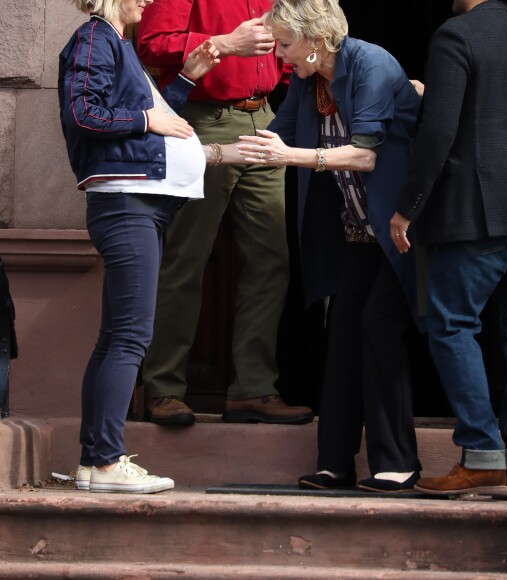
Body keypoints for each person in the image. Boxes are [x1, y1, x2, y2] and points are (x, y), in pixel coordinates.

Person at [390, 0, 507, 501]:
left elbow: (440, 131)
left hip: (480, 210)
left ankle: (481, 455)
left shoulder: (455, 34)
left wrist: (408, 206)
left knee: (451, 324)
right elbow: (498, 114)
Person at [236, 0, 424, 492]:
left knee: (378, 328)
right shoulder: (309, 80)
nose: (279, 56)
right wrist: (204, 151)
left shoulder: (372, 64)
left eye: (284, 44)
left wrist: (292, 155)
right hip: (358, 231)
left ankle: (397, 463)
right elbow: (271, 139)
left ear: (316, 39)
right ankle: (336, 463)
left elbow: (364, 155)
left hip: (403, 231)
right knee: (342, 337)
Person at [59, 0, 221, 492]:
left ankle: (95, 461)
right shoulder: (94, 38)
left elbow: (150, 112)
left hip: (136, 204)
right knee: (130, 336)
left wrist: (186, 82)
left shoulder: (115, 42)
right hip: (127, 205)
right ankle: (106, 463)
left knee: (116, 337)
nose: (150, 0)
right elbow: (83, 112)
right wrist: (149, 122)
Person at [136, 0, 314, 426]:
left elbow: (285, 53)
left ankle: (253, 389)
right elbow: (151, 45)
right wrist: (225, 44)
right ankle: (162, 387)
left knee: (271, 261)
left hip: (266, 120)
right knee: (186, 256)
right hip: (202, 120)